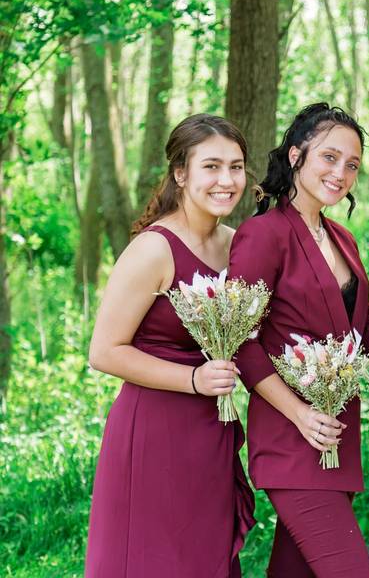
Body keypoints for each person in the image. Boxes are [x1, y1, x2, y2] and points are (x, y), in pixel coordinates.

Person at [85, 114, 255, 577]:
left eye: (236, 167)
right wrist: (194, 379)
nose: (226, 180)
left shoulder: (238, 246)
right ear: (181, 173)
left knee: (202, 558)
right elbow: (104, 351)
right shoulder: (153, 249)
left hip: (211, 432)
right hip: (153, 432)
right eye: (212, 167)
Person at [229, 103, 369, 577]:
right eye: (329, 157)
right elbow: (241, 343)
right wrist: (300, 412)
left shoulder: (342, 238)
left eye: (353, 164)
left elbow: (358, 331)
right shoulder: (263, 235)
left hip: (337, 436)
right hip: (291, 437)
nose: (341, 173)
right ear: (297, 155)